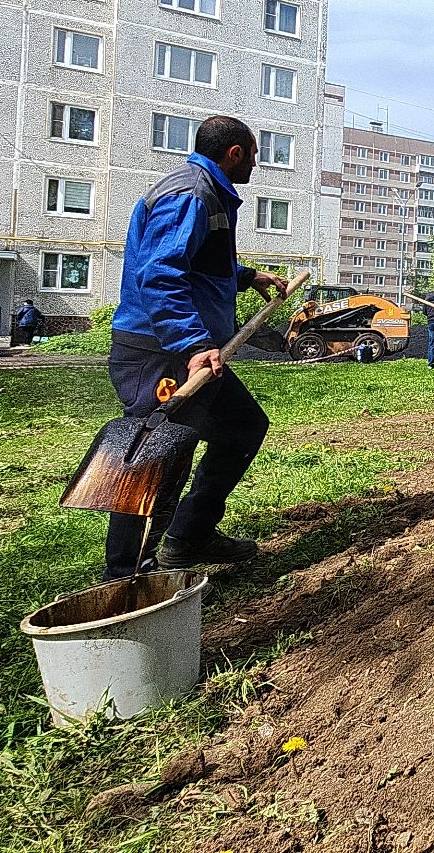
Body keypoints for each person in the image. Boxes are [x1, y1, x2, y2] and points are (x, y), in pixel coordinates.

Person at [104, 116, 286, 580]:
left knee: (242, 428)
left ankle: (190, 536)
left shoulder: (205, 190)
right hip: (162, 350)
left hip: (188, 348)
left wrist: (247, 277)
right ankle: (127, 575)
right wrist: (192, 343)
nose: (256, 164)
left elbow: (195, 259)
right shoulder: (192, 193)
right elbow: (160, 274)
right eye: (255, 154)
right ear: (237, 153)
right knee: (155, 452)